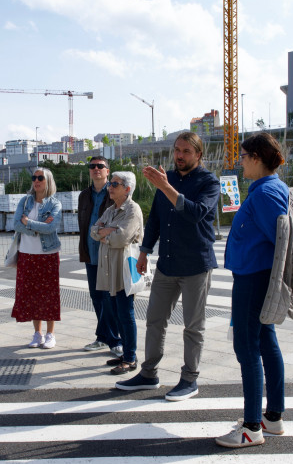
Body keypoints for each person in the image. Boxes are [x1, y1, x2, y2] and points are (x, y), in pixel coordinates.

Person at [214, 132, 293, 448]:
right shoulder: (267, 188)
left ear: (257, 158)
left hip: (254, 279)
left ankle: (250, 427)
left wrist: (279, 283)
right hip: (257, 276)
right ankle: (272, 417)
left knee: (247, 348)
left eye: (243, 156)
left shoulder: (265, 193)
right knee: (265, 343)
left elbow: (285, 240)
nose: (240, 161)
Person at [115, 132, 220, 401]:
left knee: (193, 326)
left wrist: (165, 187)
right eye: (176, 150)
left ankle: (189, 379)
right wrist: (144, 252)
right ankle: (149, 373)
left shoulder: (209, 182)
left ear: (198, 154)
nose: (179, 156)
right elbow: (156, 220)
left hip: (196, 263)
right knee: (155, 320)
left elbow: (196, 213)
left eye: (186, 151)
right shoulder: (169, 179)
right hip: (167, 263)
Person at [90, 171, 143, 375]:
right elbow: (94, 231)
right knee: (116, 313)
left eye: (115, 184)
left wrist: (106, 232)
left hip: (124, 270)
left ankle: (130, 358)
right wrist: (108, 231)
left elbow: (122, 239)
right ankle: (127, 352)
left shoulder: (132, 210)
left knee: (125, 313)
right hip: (109, 269)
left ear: (127, 189)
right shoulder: (111, 209)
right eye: (110, 183)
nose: (110, 186)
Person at [11, 167, 63, 349]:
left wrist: (29, 223)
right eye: (34, 177)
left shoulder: (55, 204)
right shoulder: (25, 201)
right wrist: (37, 226)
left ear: (48, 181)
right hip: (27, 254)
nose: (36, 180)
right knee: (31, 295)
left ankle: (50, 334)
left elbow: (51, 228)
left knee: (49, 295)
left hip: (47, 255)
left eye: (40, 177)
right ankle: (37, 334)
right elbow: (16, 223)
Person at [77, 155, 121, 357]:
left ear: (107, 170)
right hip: (90, 252)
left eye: (100, 166)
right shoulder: (84, 195)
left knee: (108, 298)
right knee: (96, 297)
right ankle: (105, 338)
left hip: (107, 253)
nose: (96, 169)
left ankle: (112, 339)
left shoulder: (113, 192)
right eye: (92, 166)